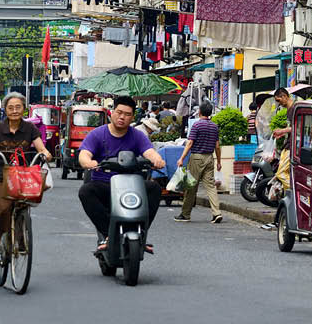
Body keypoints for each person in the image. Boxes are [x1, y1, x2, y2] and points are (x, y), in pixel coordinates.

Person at [77, 96, 166, 253]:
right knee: (85, 191)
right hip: (105, 185)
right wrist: (88, 162)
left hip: (132, 186)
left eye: (127, 114)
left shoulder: (138, 135)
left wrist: (157, 159)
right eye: (119, 112)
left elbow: (149, 152)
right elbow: (84, 154)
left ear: (132, 117)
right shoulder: (97, 134)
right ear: (112, 112)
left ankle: (142, 233)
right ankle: (108, 234)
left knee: (154, 189)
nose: (122, 117)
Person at [0, 93, 53, 265]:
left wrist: (46, 154)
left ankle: (20, 236)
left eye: (18, 107)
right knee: (3, 208)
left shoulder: (30, 128)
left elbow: (41, 148)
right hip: (0, 176)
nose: (14, 111)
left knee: (22, 204)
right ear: (5, 110)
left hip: (23, 176)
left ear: (24, 109)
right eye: (10, 108)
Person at [174, 102, 223, 223]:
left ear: (200, 112)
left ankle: (185, 214)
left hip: (196, 157)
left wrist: (181, 158)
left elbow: (190, 143)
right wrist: (218, 161)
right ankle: (216, 213)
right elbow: (217, 146)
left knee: (190, 186)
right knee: (211, 186)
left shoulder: (196, 125)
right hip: (209, 158)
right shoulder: (214, 126)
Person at [269, 88, 294, 190]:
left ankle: (294, 191)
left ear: (284, 96)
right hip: (288, 144)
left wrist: (282, 131)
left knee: (281, 173)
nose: (279, 103)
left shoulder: (294, 108)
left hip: (292, 146)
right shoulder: (289, 110)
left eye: (278, 100)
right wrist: (282, 133)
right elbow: (291, 128)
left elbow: (298, 128)